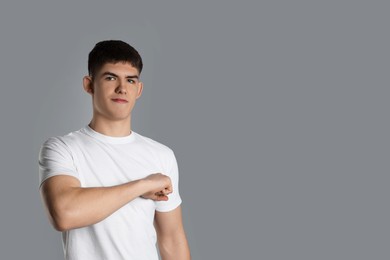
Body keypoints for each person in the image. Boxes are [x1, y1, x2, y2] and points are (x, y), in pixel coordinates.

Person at [38, 40, 191, 260]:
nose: (122, 88)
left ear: (138, 89)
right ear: (89, 85)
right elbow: (64, 214)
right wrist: (142, 185)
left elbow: (172, 240)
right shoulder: (61, 149)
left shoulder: (161, 155)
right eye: (110, 78)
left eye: (130, 80)